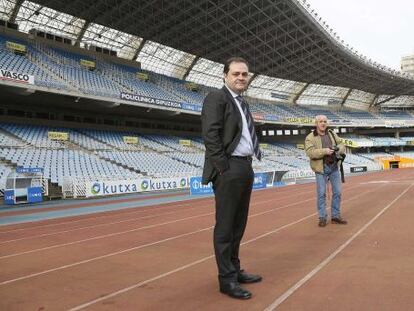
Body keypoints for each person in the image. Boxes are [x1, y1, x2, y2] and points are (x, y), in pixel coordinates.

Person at [201, 57, 262, 300]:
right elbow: (210, 134)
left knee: (239, 225)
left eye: (244, 74)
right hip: (230, 168)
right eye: (236, 73)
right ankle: (226, 279)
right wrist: (224, 168)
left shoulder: (242, 104)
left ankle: (234, 270)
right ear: (225, 75)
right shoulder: (217, 98)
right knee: (226, 226)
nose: (240, 77)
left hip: (245, 166)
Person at [305, 115, 348, 227]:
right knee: (321, 194)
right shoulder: (310, 137)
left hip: (334, 167)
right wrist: (325, 151)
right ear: (316, 123)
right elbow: (310, 153)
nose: (323, 123)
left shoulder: (332, 134)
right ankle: (322, 217)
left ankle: (335, 216)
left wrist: (339, 149)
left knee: (338, 192)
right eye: (320, 121)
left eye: (324, 121)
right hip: (321, 168)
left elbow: (341, 144)